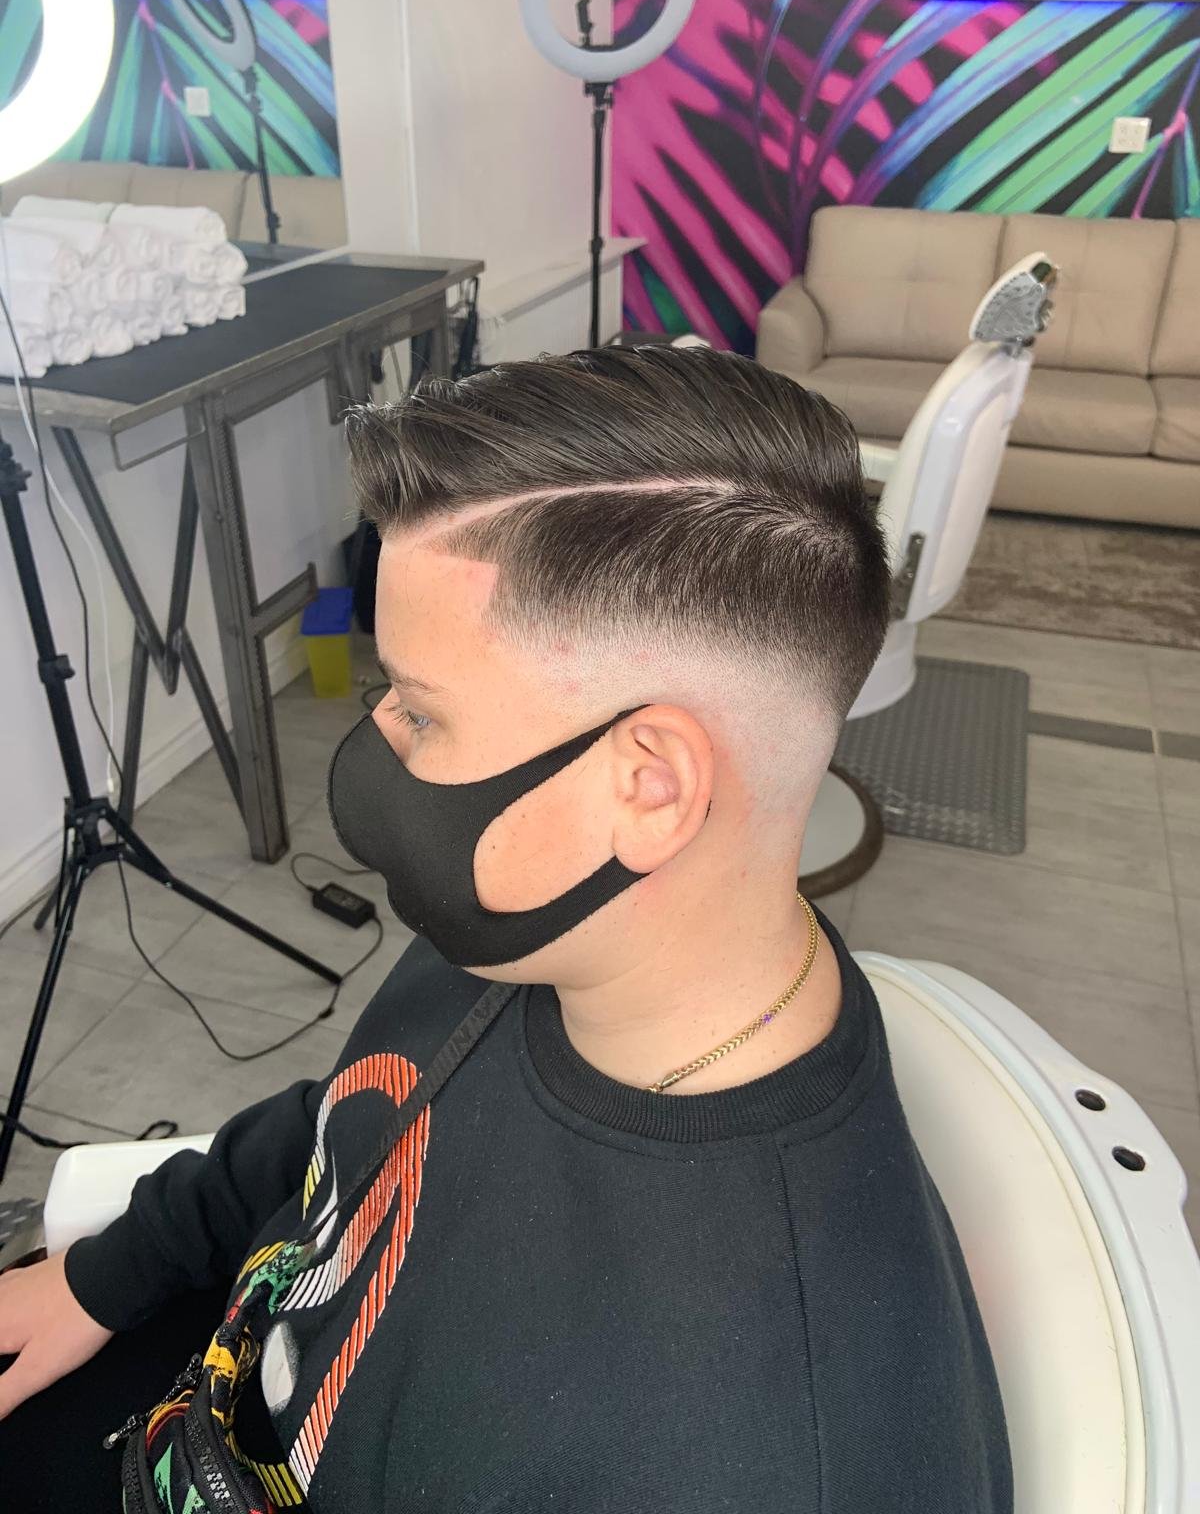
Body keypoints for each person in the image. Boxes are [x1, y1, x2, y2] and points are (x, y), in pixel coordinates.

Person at [0, 346, 1011, 1511]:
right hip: (184, 1391)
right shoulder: (539, 931)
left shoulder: (747, 1446)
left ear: (647, 785)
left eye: (420, 709)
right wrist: (107, 1276)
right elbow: (349, 1121)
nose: (376, 742)